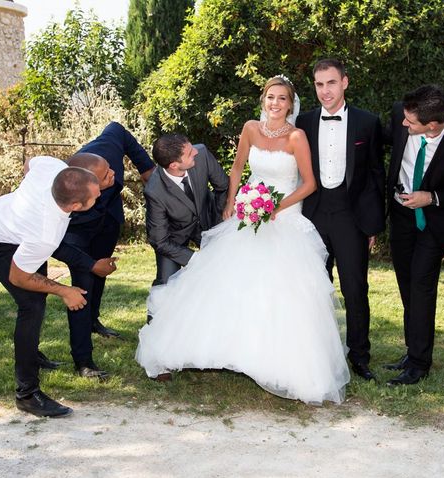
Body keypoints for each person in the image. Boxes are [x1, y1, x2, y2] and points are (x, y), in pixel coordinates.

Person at [136, 75, 350, 404]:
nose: (275, 104)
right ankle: (224, 350)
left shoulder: (297, 136)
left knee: (282, 293)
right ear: (263, 100)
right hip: (247, 215)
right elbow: (236, 169)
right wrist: (232, 203)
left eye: (281, 99)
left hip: (284, 217)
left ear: (290, 104)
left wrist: (276, 206)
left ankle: (281, 364)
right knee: (228, 285)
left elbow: (309, 184)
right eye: (270, 98)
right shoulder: (251, 128)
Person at [0, 156, 101, 417]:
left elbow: (29, 163)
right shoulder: (45, 232)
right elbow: (19, 277)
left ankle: (31, 354)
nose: (100, 194)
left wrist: (24, 201)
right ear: (77, 206)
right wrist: (65, 290)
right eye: (95, 196)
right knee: (31, 306)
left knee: (38, 297)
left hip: (13, 228)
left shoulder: (54, 168)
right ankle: (27, 394)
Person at [295, 59, 385, 381]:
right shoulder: (302, 122)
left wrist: (373, 224)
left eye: (330, 83)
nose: (325, 91)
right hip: (313, 216)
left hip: (351, 217)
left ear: (345, 82)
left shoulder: (367, 123)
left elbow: (376, 175)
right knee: (313, 289)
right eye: (319, 85)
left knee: (355, 289)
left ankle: (359, 357)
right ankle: (314, 354)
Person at [52, 123, 155, 380]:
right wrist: (88, 263)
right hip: (77, 231)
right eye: (107, 176)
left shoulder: (106, 148)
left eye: (110, 169)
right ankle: (83, 360)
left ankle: (94, 320)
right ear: (87, 186)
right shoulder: (61, 204)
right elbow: (56, 245)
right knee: (82, 286)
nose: (114, 174)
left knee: (101, 273)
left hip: (108, 218)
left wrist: (146, 168)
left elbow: (118, 129)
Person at [383, 85, 444, 385]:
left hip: (434, 221)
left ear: (432, 125)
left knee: (421, 285)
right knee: (406, 283)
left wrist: (431, 197)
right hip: (401, 214)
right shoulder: (402, 114)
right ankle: (411, 349)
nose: (402, 125)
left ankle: (419, 363)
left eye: (410, 124)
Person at [144, 134, 229, 288]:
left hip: (207, 220)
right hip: (173, 237)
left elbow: (223, 187)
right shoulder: (154, 191)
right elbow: (159, 241)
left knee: (227, 268)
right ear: (174, 165)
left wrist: (218, 222)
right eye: (189, 153)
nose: (195, 152)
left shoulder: (201, 153)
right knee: (166, 284)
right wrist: (196, 258)